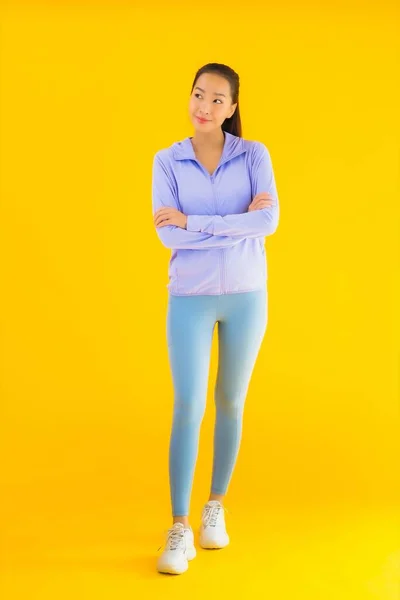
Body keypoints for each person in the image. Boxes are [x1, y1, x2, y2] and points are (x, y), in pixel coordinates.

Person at [152, 62, 280, 575]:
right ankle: (179, 526)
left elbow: (269, 221)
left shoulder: (255, 155)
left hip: (247, 295)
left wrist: (197, 222)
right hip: (190, 295)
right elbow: (168, 235)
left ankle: (215, 507)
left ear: (232, 108)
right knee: (189, 405)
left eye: (216, 100)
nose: (203, 107)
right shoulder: (167, 161)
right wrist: (235, 223)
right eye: (198, 95)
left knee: (230, 401)